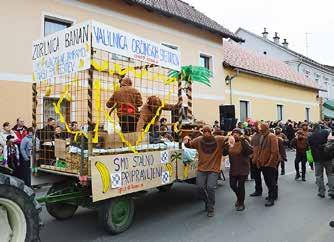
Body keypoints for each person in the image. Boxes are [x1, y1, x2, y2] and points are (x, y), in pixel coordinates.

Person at [183, 125, 230, 217]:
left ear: (211, 132)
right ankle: (207, 201)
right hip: (202, 168)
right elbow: (190, 145)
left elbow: (229, 137)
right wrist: (186, 142)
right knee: (199, 187)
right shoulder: (199, 140)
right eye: (204, 132)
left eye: (208, 132)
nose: (206, 134)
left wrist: (231, 140)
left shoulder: (218, 139)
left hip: (213, 168)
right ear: (202, 132)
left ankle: (210, 207)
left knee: (210, 187)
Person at [226, 128, 253, 211]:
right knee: (232, 185)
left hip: (243, 168)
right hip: (233, 168)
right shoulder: (231, 142)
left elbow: (250, 151)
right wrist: (226, 144)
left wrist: (244, 141)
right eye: (234, 133)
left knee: (241, 186)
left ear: (240, 134)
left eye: (237, 133)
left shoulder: (244, 141)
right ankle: (239, 197)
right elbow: (224, 152)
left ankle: (241, 203)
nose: (235, 134)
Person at [308, 124, 333, 198]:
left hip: (317, 159)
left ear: (313, 128)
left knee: (319, 176)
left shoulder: (310, 137)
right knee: (330, 174)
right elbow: (331, 141)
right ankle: (332, 190)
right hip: (328, 156)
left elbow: (309, 146)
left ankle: (321, 192)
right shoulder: (326, 132)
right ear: (320, 127)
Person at [258, 123, 279, 206]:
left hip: (269, 164)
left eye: (261, 129)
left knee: (271, 181)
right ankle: (274, 195)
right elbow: (261, 149)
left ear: (266, 128)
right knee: (268, 180)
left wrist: (269, 163)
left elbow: (274, 152)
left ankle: (271, 198)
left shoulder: (271, 136)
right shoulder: (263, 136)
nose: (260, 130)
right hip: (264, 163)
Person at [249, 122, 263, 197]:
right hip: (255, 159)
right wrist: (251, 156)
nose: (255, 128)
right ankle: (258, 190)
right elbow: (251, 147)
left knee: (268, 178)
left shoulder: (265, 135)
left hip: (263, 159)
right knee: (256, 177)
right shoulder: (253, 136)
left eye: (256, 126)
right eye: (254, 126)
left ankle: (272, 194)